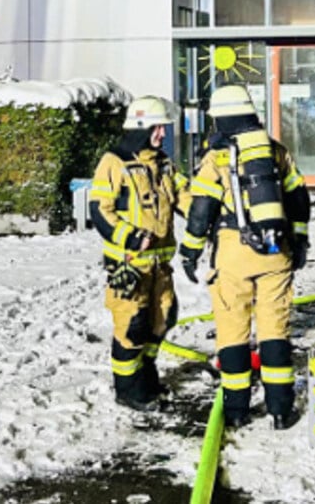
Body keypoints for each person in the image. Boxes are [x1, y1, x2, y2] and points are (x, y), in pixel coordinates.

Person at [178, 85, 310, 430]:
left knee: (233, 331)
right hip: (275, 251)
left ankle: (236, 409)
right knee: (274, 330)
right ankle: (280, 409)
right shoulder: (276, 152)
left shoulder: (216, 158)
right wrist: (300, 242)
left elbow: (201, 209)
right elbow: (299, 199)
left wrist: (190, 251)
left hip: (234, 253)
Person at [88, 95, 190, 412]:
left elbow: (185, 197)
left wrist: (208, 217)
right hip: (129, 265)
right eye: (157, 128)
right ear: (141, 127)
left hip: (160, 265)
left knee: (163, 318)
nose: (162, 134)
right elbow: (99, 209)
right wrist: (130, 238)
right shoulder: (114, 162)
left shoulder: (163, 164)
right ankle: (128, 389)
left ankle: (146, 378)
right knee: (132, 326)